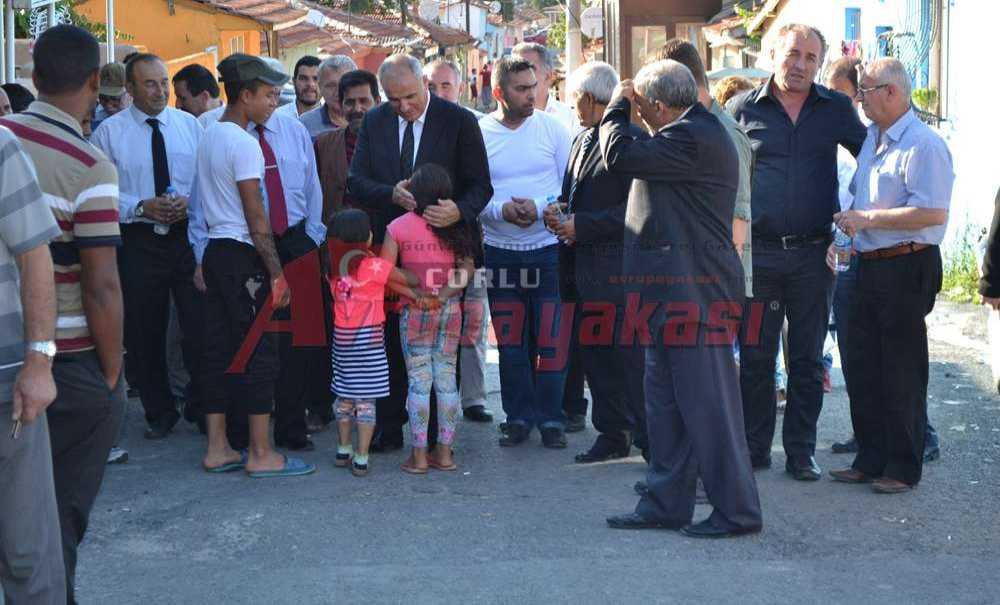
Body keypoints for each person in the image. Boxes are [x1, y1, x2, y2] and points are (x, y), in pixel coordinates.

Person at [601, 59, 762, 539]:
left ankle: (737, 512)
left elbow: (619, 156)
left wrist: (614, 107)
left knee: (710, 411)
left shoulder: (694, 134)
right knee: (666, 409)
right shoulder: (686, 132)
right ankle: (665, 504)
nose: (640, 112)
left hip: (696, 297)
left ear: (657, 104)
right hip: (669, 296)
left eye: (642, 105)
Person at [1, 24, 126, 602]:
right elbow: (101, 285)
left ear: (32, 77)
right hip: (65, 363)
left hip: (17, 357)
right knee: (57, 517)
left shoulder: (5, 137)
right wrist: (110, 374)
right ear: (96, 82)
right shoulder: (89, 164)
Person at [729, 24, 867, 480]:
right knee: (756, 356)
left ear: (820, 63)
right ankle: (754, 448)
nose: (800, 65)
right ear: (773, 54)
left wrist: (854, 223)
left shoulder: (836, 109)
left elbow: (872, 161)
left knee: (807, 360)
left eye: (810, 57)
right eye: (792, 54)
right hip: (759, 255)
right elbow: (720, 175)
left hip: (814, 256)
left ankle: (801, 452)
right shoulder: (742, 109)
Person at [347, 53, 492, 451]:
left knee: (442, 346)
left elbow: (481, 186)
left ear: (425, 85)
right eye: (394, 100)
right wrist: (388, 192)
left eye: (410, 96)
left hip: (445, 252)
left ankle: (436, 433)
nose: (404, 107)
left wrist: (459, 210)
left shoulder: (459, 120)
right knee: (391, 343)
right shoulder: (375, 121)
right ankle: (391, 425)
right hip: (393, 253)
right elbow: (356, 181)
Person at [829, 58, 953, 494]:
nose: (859, 99)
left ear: (892, 93)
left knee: (900, 369)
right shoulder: (872, 139)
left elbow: (933, 212)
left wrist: (868, 219)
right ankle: (870, 457)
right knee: (862, 365)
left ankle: (902, 467)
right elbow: (860, 199)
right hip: (867, 262)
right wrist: (849, 233)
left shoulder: (924, 145)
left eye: (865, 91)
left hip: (906, 264)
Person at [193, 56, 327, 452]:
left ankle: (290, 426)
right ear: (246, 93)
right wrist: (199, 253)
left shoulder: (292, 128)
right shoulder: (221, 133)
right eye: (268, 92)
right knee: (249, 343)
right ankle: (245, 436)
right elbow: (206, 202)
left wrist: (313, 237)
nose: (275, 100)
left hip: (294, 237)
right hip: (250, 247)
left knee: (300, 340)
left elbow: (310, 184)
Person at [91, 53, 206, 441]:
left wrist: (188, 202)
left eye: (164, 82)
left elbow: (206, 180)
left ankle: (200, 404)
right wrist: (140, 206)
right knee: (146, 328)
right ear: (130, 89)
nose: (160, 91)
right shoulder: (109, 133)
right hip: (138, 239)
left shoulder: (190, 126)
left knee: (198, 322)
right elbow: (100, 193)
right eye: (150, 84)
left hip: (186, 236)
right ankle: (159, 410)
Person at [544, 60, 647, 462]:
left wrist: (582, 225)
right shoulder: (582, 139)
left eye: (574, 99)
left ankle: (650, 441)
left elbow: (636, 210)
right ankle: (611, 433)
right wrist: (560, 211)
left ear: (589, 98)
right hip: (579, 270)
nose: (572, 107)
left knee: (627, 360)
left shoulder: (630, 142)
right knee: (595, 357)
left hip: (616, 271)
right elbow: (575, 192)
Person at [478, 57, 571, 448]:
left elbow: (571, 188)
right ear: (499, 93)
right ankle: (517, 417)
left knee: (550, 338)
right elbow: (473, 194)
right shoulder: (480, 134)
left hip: (547, 251)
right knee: (511, 340)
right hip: (499, 252)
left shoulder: (554, 129)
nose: (531, 94)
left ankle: (551, 419)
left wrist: (537, 205)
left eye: (533, 86)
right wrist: (502, 211)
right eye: (520, 88)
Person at [0, 125, 64, 604]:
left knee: (26, 554)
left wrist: (39, 361)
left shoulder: (1, 146)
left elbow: (34, 255)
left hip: (7, 390)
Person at [381, 164, 476, 473]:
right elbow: (467, 271)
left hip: (415, 311)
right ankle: (445, 453)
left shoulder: (398, 226)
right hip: (449, 311)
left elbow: (382, 272)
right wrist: (443, 295)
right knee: (447, 382)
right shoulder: (456, 226)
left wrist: (416, 296)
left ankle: (419, 456)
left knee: (419, 384)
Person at [422, 58, 493, 423]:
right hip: (424, 246)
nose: (438, 94)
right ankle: (431, 398)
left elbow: (482, 185)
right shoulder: (418, 127)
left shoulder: (469, 124)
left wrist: (460, 211)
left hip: (466, 240)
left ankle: (474, 398)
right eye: (431, 87)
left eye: (445, 86)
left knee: (473, 323)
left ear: (460, 87)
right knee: (431, 323)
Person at [315, 70, 380, 223]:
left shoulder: (395, 142)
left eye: (364, 101)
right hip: (336, 236)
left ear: (377, 102)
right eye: (350, 102)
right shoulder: (324, 144)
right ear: (341, 105)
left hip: (383, 238)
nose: (357, 109)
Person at [512, 42, 580, 135]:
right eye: (515, 69)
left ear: (548, 76)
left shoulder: (569, 118)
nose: (519, 75)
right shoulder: (501, 122)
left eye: (529, 68)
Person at [300, 55, 358, 140]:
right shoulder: (304, 124)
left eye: (344, 84)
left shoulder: (371, 121)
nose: (338, 92)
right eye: (331, 86)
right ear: (320, 87)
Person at [92, 62, 130, 131]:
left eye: (114, 98)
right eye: (103, 98)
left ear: (130, 93)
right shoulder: (94, 121)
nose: (108, 106)